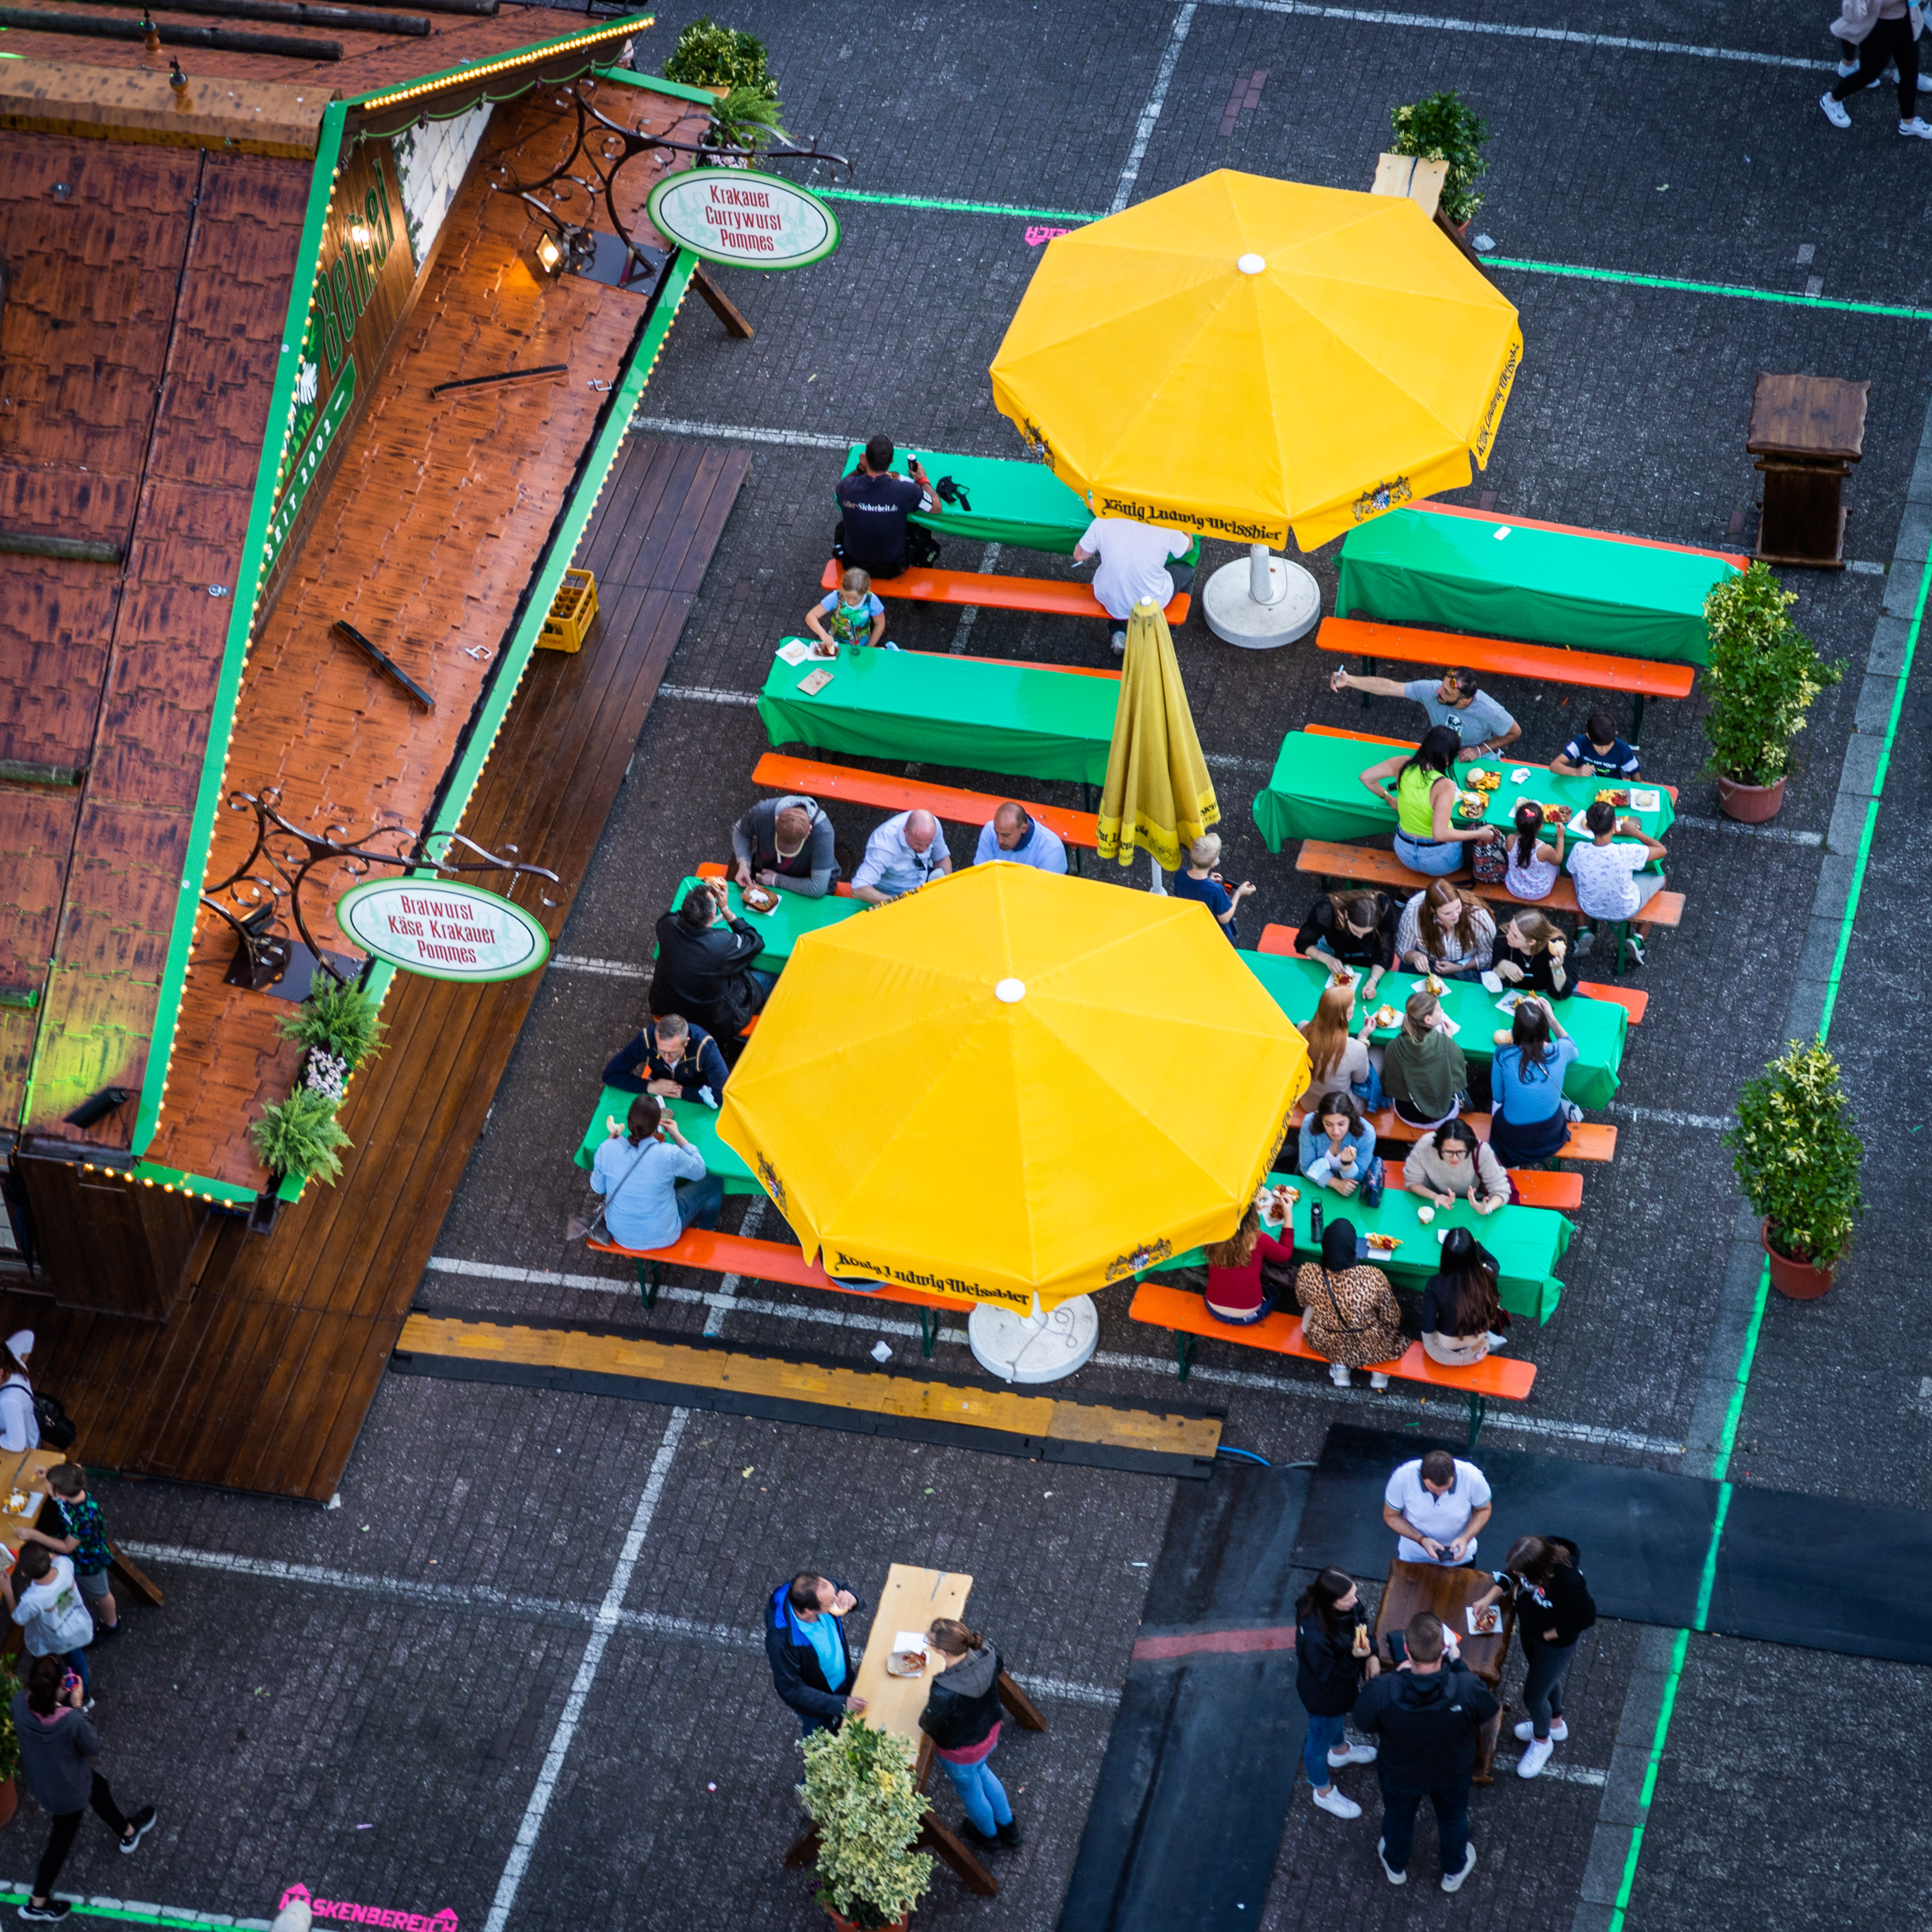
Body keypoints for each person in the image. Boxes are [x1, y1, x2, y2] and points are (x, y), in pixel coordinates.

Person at [1351, 1609, 1497, 1892]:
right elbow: (1488, 1710)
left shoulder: (1383, 1689)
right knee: (1453, 1819)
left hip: (1401, 1773)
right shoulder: (1466, 1686)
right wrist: (1459, 1666)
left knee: (1398, 1818)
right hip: (1451, 1772)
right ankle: (1453, 1871)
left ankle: (1395, 1865)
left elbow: (1363, 1722)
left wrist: (1395, 1678)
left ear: (1406, 1650)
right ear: (1445, 1648)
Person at [13, 1653, 156, 1922]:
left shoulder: (19, 1703)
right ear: (60, 1687)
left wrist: (62, 1704)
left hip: (44, 1779)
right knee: (60, 1842)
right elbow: (93, 1746)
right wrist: (78, 1707)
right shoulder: (71, 1720)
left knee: (99, 1788)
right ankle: (37, 1902)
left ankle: (128, 1831)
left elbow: (44, 1719)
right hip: (68, 1790)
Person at [1470, 1536, 1597, 1778]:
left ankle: (1542, 1741)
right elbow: (1510, 1577)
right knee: (1548, 1681)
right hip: (1531, 1635)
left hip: (1555, 1646)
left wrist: (1551, 1634)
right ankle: (1555, 1724)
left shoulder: (1570, 1583)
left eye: (1523, 1574)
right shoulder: (1531, 1559)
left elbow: (1587, 1617)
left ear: (1539, 1569)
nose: (1518, 1575)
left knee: (1533, 1698)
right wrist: (1488, 1599)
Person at [919, 1619, 1022, 1851]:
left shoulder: (944, 1690)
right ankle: (1010, 1830)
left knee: (971, 1791)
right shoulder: (988, 1652)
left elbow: (929, 1723)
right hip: (989, 1734)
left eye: (929, 1641)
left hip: (961, 1752)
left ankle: (989, 1837)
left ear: (942, 1652)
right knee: (983, 1772)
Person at [1294, 1567, 1383, 1820]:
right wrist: (1356, 1658)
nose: (1356, 1600)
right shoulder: (1315, 1637)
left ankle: (1340, 1752)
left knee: (1333, 1725)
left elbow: (1361, 1621)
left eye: (1355, 1593)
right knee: (1317, 1744)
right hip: (1324, 1697)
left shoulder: (1343, 1606)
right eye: (1348, 1599)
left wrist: (1372, 1653)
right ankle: (1322, 1792)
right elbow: (1329, 1677)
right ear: (1329, 1601)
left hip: (1339, 1692)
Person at [1357, 726, 1500, 878]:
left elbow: (1366, 777)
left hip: (1404, 852)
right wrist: (1479, 834)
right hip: (1439, 859)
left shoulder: (1402, 763)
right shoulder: (1445, 785)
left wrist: (1389, 798)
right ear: (1447, 759)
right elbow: (1440, 834)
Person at [589, 1096, 723, 1251]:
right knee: (715, 1180)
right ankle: (707, 1228)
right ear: (658, 1124)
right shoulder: (669, 1153)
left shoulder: (607, 1148)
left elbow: (598, 1188)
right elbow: (699, 1171)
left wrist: (609, 1144)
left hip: (620, 1234)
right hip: (664, 1234)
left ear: (629, 1121)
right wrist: (677, 1135)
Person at [651, 881, 773, 1041]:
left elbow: (673, 916)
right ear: (712, 915)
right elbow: (755, 941)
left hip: (668, 1007)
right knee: (772, 979)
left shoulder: (666, 926)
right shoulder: (722, 944)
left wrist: (699, 900)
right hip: (714, 1020)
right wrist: (726, 910)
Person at [1294, 1218, 1405, 1389]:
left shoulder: (1308, 1273)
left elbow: (1302, 1301)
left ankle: (1341, 1368)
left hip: (1326, 1339)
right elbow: (1392, 1317)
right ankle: (1379, 1371)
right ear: (1353, 1247)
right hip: (1369, 1341)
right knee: (1383, 1320)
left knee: (1311, 1308)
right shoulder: (1374, 1276)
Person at [1330, 665, 1521, 762]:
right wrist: (1350, 681)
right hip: (1442, 751)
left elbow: (1515, 732)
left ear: (1465, 700)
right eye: (1442, 686)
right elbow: (1389, 687)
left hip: (1480, 757)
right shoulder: (1432, 690)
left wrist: (1479, 750)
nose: (1438, 691)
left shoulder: (1490, 711)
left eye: (1447, 693)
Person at [18, 1466, 120, 1644]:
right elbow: (76, 1468)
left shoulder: (85, 1518)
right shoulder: (74, 1489)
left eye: (49, 1487)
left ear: (61, 1496)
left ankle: (112, 1625)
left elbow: (67, 1547)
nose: (46, 1486)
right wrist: (50, 1475)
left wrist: (33, 1535)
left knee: (102, 1594)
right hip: (77, 1553)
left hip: (88, 1562)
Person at [1071, 515, 1195, 653]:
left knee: (1117, 581)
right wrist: (1184, 521)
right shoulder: (1166, 525)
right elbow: (1188, 546)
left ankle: (1119, 634)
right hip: (1151, 600)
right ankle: (1166, 634)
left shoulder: (1103, 520)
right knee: (1188, 571)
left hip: (1109, 597)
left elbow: (1079, 555)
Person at [765, 1571, 867, 1736]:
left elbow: (842, 1588)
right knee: (818, 1735)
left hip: (843, 1678)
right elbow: (792, 1689)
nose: (836, 1601)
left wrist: (853, 1598)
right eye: (830, 1603)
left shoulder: (816, 1587)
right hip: (817, 1703)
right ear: (808, 1610)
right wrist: (841, 1704)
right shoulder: (781, 1643)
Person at [1566, 801, 1669, 966]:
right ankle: (1639, 939)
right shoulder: (1625, 851)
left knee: (1576, 881)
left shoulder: (1579, 849)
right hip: (1626, 909)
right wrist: (1635, 833)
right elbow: (1662, 850)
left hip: (1589, 906)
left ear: (1589, 826)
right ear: (1615, 825)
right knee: (1661, 878)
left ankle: (1582, 931)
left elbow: (1572, 871)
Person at [1487, 998, 1582, 1166]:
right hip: (1551, 1136)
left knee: (1496, 1107)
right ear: (1545, 1027)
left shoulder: (1503, 1055)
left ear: (1516, 1030)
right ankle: (1566, 1107)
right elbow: (1574, 1048)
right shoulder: (1561, 1049)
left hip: (1513, 1140)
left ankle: (1512, 1166)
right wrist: (1552, 1019)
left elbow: (1499, 1098)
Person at [1822, 0, 1932, 134]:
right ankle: (1831, 100)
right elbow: (1853, 14)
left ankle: (1908, 122)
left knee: (1910, 73)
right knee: (1869, 74)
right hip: (1879, 29)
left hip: (1908, 21)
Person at [834, 436, 938, 578]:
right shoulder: (907, 491)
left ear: (865, 459)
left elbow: (839, 488)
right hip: (893, 567)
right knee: (920, 530)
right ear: (892, 461)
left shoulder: (846, 488)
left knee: (842, 527)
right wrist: (922, 480)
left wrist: (860, 469)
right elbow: (936, 506)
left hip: (854, 563)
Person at [9, 1545, 96, 1700]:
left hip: (52, 1639)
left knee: (52, 1669)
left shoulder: (32, 1599)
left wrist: (8, 1590)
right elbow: (58, 1558)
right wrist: (40, 1555)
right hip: (75, 1628)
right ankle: (83, 1695)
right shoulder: (64, 1564)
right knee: (77, 1662)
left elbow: (18, 1618)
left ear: (24, 1574)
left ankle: (65, 1695)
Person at [1382, 1449, 1493, 1566]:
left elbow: (1484, 1509)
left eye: (1446, 1489)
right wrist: (1421, 1540)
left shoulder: (1473, 1478)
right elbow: (1391, 1516)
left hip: (1462, 1558)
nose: (1440, 1494)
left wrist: (1466, 1539)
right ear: (1420, 1473)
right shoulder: (1402, 1478)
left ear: (1454, 1473)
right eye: (1433, 1490)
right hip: (1415, 1556)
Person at [1421, 1227, 1510, 1366]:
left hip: (1443, 1355)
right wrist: (1476, 1245)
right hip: (1477, 1351)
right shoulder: (1488, 1275)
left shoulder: (1435, 1283)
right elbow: (1494, 1263)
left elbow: (1428, 1327)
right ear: (1473, 1255)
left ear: (1445, 1256)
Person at [1382, 992, 1467, 1131]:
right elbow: (1458, 1082)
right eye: (1439, 1010)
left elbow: (1395, 1087)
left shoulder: (1393, 1047)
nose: (1442, 1011)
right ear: (1428, 1020)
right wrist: (1449, 1040)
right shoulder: (1448, 1045)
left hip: (1407, 1114)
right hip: (1443, 1116)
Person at [601, 1012, 731, 1104]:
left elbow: (724, 1094)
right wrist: (649, 1087)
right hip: (659, 1092)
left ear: (686, 1042)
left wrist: (682, 1093)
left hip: (697, 1093)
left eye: (673, 1053)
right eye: (661, 1052)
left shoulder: (705, 1048)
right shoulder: (646, 1041)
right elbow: (610, 1074)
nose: (667, 1059)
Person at [1295, 889, 1399, 999]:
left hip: (1367, 951)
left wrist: (1373, 981)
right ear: (1346, 914)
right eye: (1356, 930)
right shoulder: (1326, 911)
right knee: (1319, 992)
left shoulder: (1383, 907)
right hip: (1331, 949)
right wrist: (1326, 958)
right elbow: (1302, 943)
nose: (1360, 937)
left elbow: (1385, 955)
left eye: (1366, 933)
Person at [1202, 1202, 1294, 1324]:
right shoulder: (1259, 1239)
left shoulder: (1212, 1235)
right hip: (1249, 1315)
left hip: (1214, 1309)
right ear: (1252, 1219)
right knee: (1272, 1292)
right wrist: (1288, 1216)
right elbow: (1286, 1254)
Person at [732, 795, 839, 899]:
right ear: (776, 821)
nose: (786, 854)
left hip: (807, 885)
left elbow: (818, 888)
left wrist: (776, 880)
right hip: (766, 874)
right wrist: (744, 864)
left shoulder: (823, 833)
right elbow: (741, 831)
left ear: (809, 830)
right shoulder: (763, 813)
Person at [1298, 987, 1384, 1113]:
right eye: (1353, 1006)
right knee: (1380, 1050)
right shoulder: (1356, 1048)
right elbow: (1360, 1079)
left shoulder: (1302, 1027)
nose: (1354, 1008)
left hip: (1308, 1103)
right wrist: (1363, 1039)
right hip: (1343, 1110)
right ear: (1343, 1015)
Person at [1404, 1119, 1509, 1216]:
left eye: (1461, 1152)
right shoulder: (1425, 1145)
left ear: (1469, 1147)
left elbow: (1501, 1191)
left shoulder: (1482, 1151)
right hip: (1434, 1202)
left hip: (1474, 1204)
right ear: (1438, 1147)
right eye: (1448, 1152)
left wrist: (1487, 1209)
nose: (1455, 1158)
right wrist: (1435, 1196)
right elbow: (1413, 1182)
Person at [1394, 881, 1495, 979]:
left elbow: (1487, 956)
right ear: (1432, 910)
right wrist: (1415, 956)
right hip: (1427, 965)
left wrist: (1459, 967)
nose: (1456, 915)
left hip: (1465, 967)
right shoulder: (1413, 911)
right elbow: (1403, 948)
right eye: (1447, 913)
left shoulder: (1478, 915)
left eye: (1458, 907)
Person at [1296, 1089, 1382, 1202]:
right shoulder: (1309, 1124)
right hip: (1313, 1183)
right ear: (1321, 1120)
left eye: (1341, 1124)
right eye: (1329, 1124)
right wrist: (1335, 1183)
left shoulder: (1367, 1134)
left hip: (1350, 1191)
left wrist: (1348, 1165)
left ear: (1350, 1119)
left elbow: (1361, 1176)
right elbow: (1306, 1166)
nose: (1335, 1131)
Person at [852, 809, 952, 903]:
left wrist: (945, 892)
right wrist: (899, 903)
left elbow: (942, 859)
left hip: (923, 885)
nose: (923, 849)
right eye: (918, 843)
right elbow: (859, 889)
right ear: (905, 832)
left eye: (928, 844)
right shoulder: (883, 844)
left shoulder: (933, 826)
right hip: (894, 895)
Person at [1172, 833, 1252, 943]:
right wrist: (1239, 893)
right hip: (1214, 937)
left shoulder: (1181, 874)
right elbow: (1224, 919)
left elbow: (1181, 897)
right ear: (1215, 863)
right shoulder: (1216, 890)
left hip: (1192, 930)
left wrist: (1208, 881)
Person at [806, 567, 888, 652]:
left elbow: (880, 624)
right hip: (836, 644)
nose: (850, 601)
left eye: (855, 599)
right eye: (847, 596)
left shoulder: (871, 600)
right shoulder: (835, 597)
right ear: (842, 588)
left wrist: (869, 647)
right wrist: (823, 634)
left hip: (862, 644)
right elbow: (811, 616)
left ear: (866, 591)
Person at [1494, 909, 1573, 999]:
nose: (1508, 936)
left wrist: (1557, 969)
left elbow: (1562, 993)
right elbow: (1495, 983)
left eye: (1515, 936)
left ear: (1532, 942)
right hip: (1511, 994)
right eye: (1510, 928)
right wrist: (1502, 965)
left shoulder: (1554, 946)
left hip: (1543, 996)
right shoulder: (1503, 936)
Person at [973, 802, 1067, 875]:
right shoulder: (990, 830)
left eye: (1006, 835)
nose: (1000, 841)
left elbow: (1046, 891)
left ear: (1024, 828)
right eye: (997, 833)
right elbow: (981, 876)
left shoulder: (1052, 850)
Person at [1501, 800, 1566, 905]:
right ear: (1541, 827)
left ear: (1516, 823)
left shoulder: (1510, 839)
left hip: (1514, 887)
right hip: (1539, 892)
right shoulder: (1545, 849)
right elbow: (1558, 861)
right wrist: (1561, 837)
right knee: (1554, 865)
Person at [1550, 710, 1642, 780]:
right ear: (1589, 737)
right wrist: (1576, 772)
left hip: (1612, 790)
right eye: (1599, 746)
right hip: (1583, 785)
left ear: (1615, 734)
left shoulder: (1623, 750)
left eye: (1608, 745)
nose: (1604, 750)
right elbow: (1554, 766)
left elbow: (1634, 774)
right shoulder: (1581, 743)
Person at [0, 1330, 38, 1453]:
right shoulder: (8, 1356)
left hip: (23, 1451)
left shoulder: (9, 1401)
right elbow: (28, 1336)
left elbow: (16, 1445)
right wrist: (23, 1361)